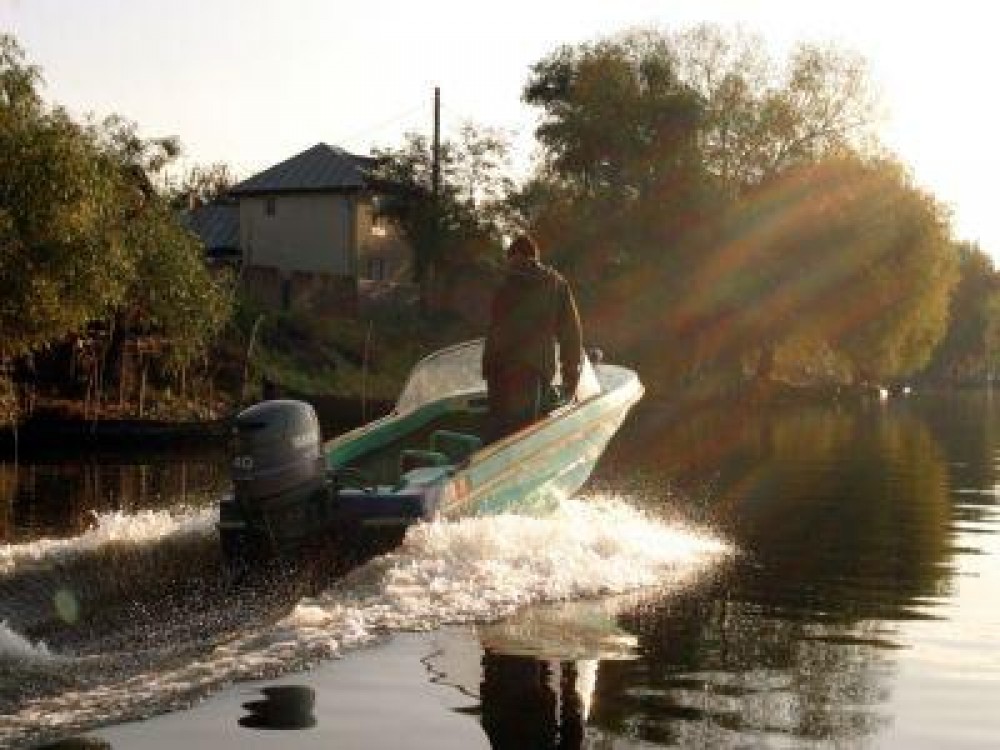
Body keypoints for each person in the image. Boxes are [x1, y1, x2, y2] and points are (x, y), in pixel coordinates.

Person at [482, 233, 583, 440]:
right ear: (536, 257)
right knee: (523, 436)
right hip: (533, 369)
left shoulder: (498, 280)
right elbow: (570, 334)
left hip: (498, 368)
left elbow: (488, 323)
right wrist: (570, 378)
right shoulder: (556, 284)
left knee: (498, 435)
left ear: (511, 256)